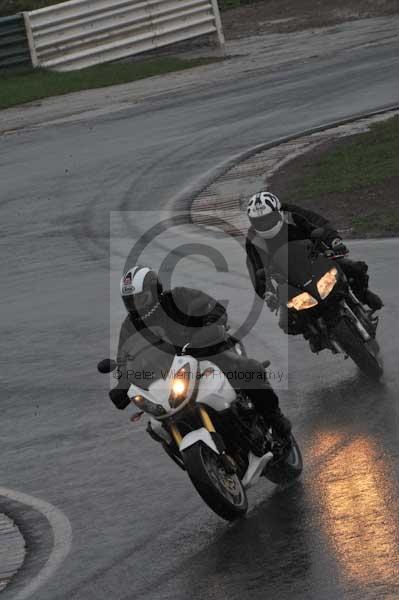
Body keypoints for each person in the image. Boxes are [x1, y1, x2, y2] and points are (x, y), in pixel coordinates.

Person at [109, 265, 291, 440]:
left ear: (154, 291)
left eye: (140, 298)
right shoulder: (130, 325)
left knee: (248, 369)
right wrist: (123, 383)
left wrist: (210, 325)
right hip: (168, 373)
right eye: (130, 301)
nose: (135, 305)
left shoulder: (177, 298)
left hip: (207, 350)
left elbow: (213, 308)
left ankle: (275, 419)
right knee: (156, 425)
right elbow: (124, 358)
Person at [245, 191, 383, 336]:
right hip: (288, 278)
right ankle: (313, 334)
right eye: (258, 221)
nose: (263, 224)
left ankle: (363, 295)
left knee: (355, 268)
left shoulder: (292, 215)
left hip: (315, 258)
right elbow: (255, 269)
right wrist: (267, 293)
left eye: (267, 219)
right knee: (287, 323)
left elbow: (318, 224)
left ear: (278, 211)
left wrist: (334, 242)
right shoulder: (253, 239)